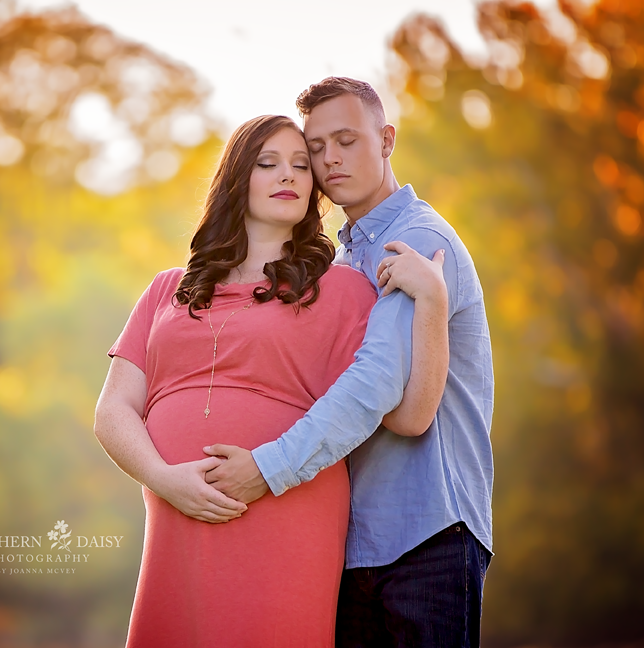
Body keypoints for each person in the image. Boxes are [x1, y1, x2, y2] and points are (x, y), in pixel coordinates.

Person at [93, 114, 449, 647]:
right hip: (175, 511)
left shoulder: (343, 290)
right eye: (268, 163)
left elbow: (409, 415)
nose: (289, 175)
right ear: (237, 178)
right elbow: (112, 411)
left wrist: (433, 304)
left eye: (302, 166)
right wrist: (163, 479)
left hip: (285, 511)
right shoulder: (166, 290)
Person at [203, 77, 495, 647]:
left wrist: (267, 468)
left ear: (386, 140)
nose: (330, 159)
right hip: (353, 540)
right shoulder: (343, 258)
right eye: (316, 147)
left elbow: (384, 394)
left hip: (428, 534)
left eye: (346, 140)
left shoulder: (415, 240)